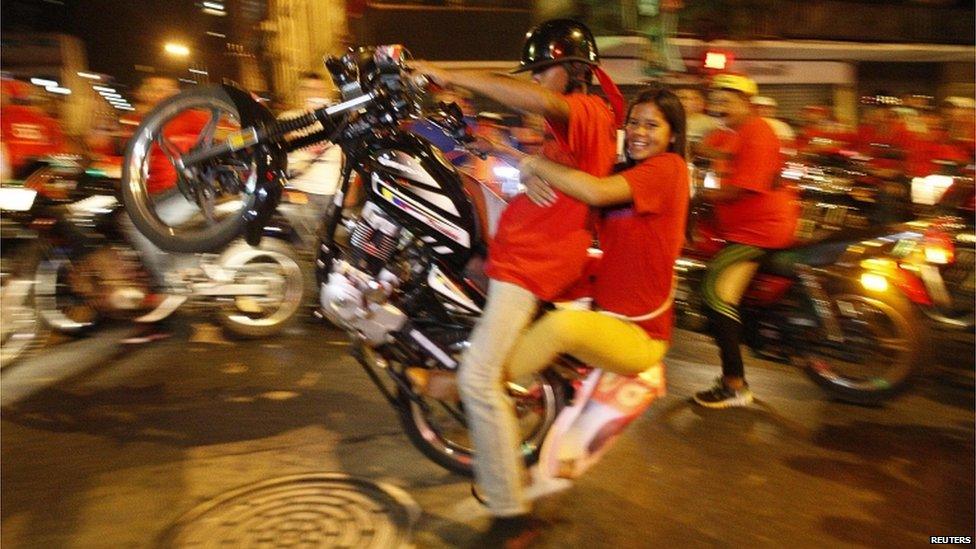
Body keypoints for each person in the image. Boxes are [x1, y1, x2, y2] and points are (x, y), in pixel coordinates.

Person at [411, 18, 622, 540]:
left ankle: (510, 514)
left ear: (571, 70)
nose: (538, 83)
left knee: (479, 379)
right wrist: (517, 161)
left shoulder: (587, 111)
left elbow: (535, 100)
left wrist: (448, 75)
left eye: (543, 72)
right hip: (521, 252)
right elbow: (528, 143)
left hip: (535, 260)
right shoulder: (566, 130)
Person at [502, 83, 688, 498]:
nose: (639, 131)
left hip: (639, 337)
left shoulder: (669, 169)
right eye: (634, 122)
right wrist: (528, 177)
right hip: (607, 315)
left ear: (673, 134)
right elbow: (575, 193)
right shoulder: (627, 173)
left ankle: (475, 380)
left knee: (563, 328)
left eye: (652, 125)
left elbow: (594, 191)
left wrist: (532, 163)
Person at [692, 74, 799, 408]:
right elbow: (704, 147)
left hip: (759, 231)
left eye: (729, 101)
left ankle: (734, 384)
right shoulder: (732, 133)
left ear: (749, 104)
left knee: (714, 292)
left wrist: (701, 194)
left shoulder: (758, 132)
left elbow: (742, 187)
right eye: (718, 101)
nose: (721, 106)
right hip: (744, 228)